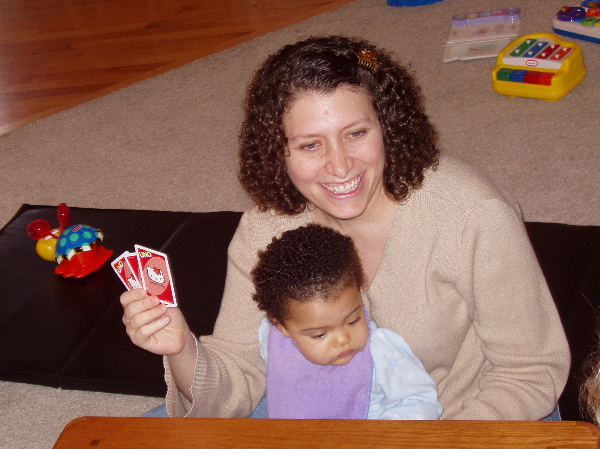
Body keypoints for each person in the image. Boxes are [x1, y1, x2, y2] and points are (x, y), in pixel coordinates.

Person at [120, 35, 570, 420]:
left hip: (450, 418)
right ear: (279, 152)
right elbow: (240, 376)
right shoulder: (266, 231)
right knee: (146, 436)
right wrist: (180, 348)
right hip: (317, 409)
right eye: (310, 144)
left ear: (388, 126)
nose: (339, 166)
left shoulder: (473, 215)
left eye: (356, 133)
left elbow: (530, 371)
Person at [251, 223, 442, 419]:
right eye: (320, 335)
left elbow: (421, 401)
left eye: (352, 320)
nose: (343, 339)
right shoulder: (273, 340)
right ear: (281, 326)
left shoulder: (379, 352)